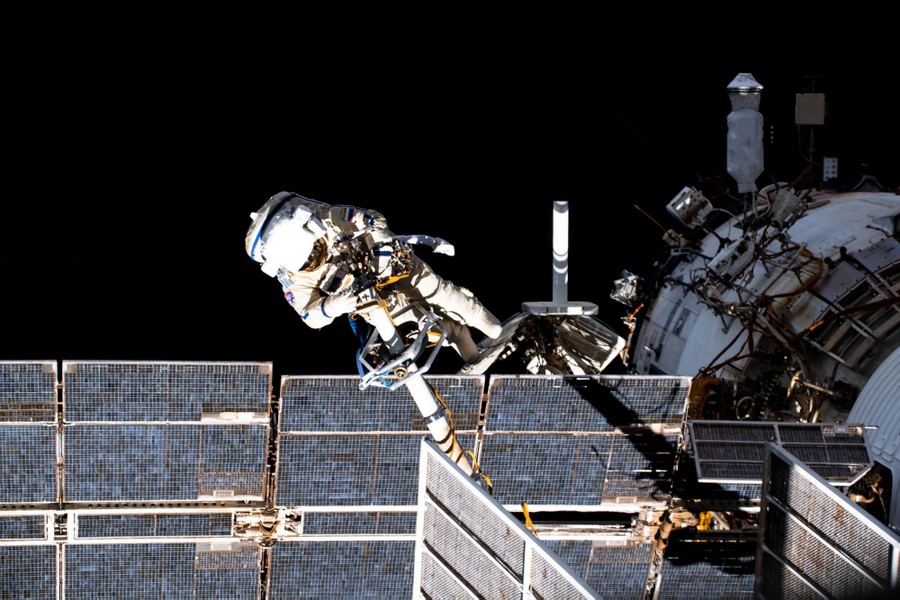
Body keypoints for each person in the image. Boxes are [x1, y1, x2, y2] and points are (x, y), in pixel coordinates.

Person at [244, 191, 503, 365]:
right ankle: (463, 343)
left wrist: (381, 247)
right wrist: (332, 306)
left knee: (438, 293)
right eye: (308, 262)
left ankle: (486, 323)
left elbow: (370, 218)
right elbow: (308, 314)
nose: (316, 259)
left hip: (391, 265)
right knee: (422, 326)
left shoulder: (325, 218)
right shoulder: (292, 276)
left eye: (316, 250)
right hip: (371, 299)